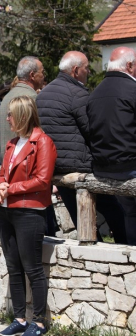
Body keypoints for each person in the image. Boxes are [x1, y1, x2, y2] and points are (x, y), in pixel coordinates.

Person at [37, 51, 127, 244]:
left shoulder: (44, 94)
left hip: (56, 166)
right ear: (76, 70)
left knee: (81, 220)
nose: (88, 72)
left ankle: (92, 256)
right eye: (86, 68)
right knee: (116, 213)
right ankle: (121, 251)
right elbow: (91, 129)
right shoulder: (77, 94)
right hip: (81, 165)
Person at [0, 96, 57, 336]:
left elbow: (43, 180)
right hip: (7, 211)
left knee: (32, 268)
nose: (7, 119)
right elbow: (2, 174)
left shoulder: (43, 142)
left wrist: (10, 188)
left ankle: (40, 322)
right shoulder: (13, 143)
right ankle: (20, 319)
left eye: (11, 114)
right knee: (14, 267)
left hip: (30, 212)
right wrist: (1, 186)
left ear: (22, 115)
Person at [87, 47, 136, 245]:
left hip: (103, 168)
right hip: (130, 165)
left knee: (129, 215)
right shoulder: (133, 90)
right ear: (130, 66)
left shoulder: (95, 93)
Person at [0, 56, 45, 161]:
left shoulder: (7, 96)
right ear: (32, 75)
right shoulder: (31, 98)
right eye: (42, 72)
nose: (43, 76)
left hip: (7, 159)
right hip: (24, 162)